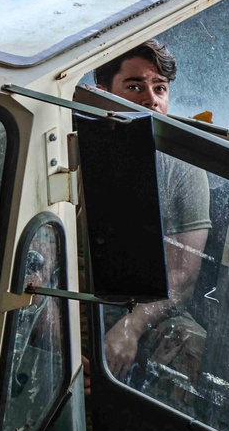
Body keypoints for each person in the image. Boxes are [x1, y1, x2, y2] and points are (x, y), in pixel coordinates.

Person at [89, 39, 212, 405]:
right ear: (102, 95)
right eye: (134, 86)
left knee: (186, 341)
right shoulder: (71, 147)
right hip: (76, 293)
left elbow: (183, 277)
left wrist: (131, 325)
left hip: (144, 303)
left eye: (159, 88)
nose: (151, 98)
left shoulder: (184, 168)